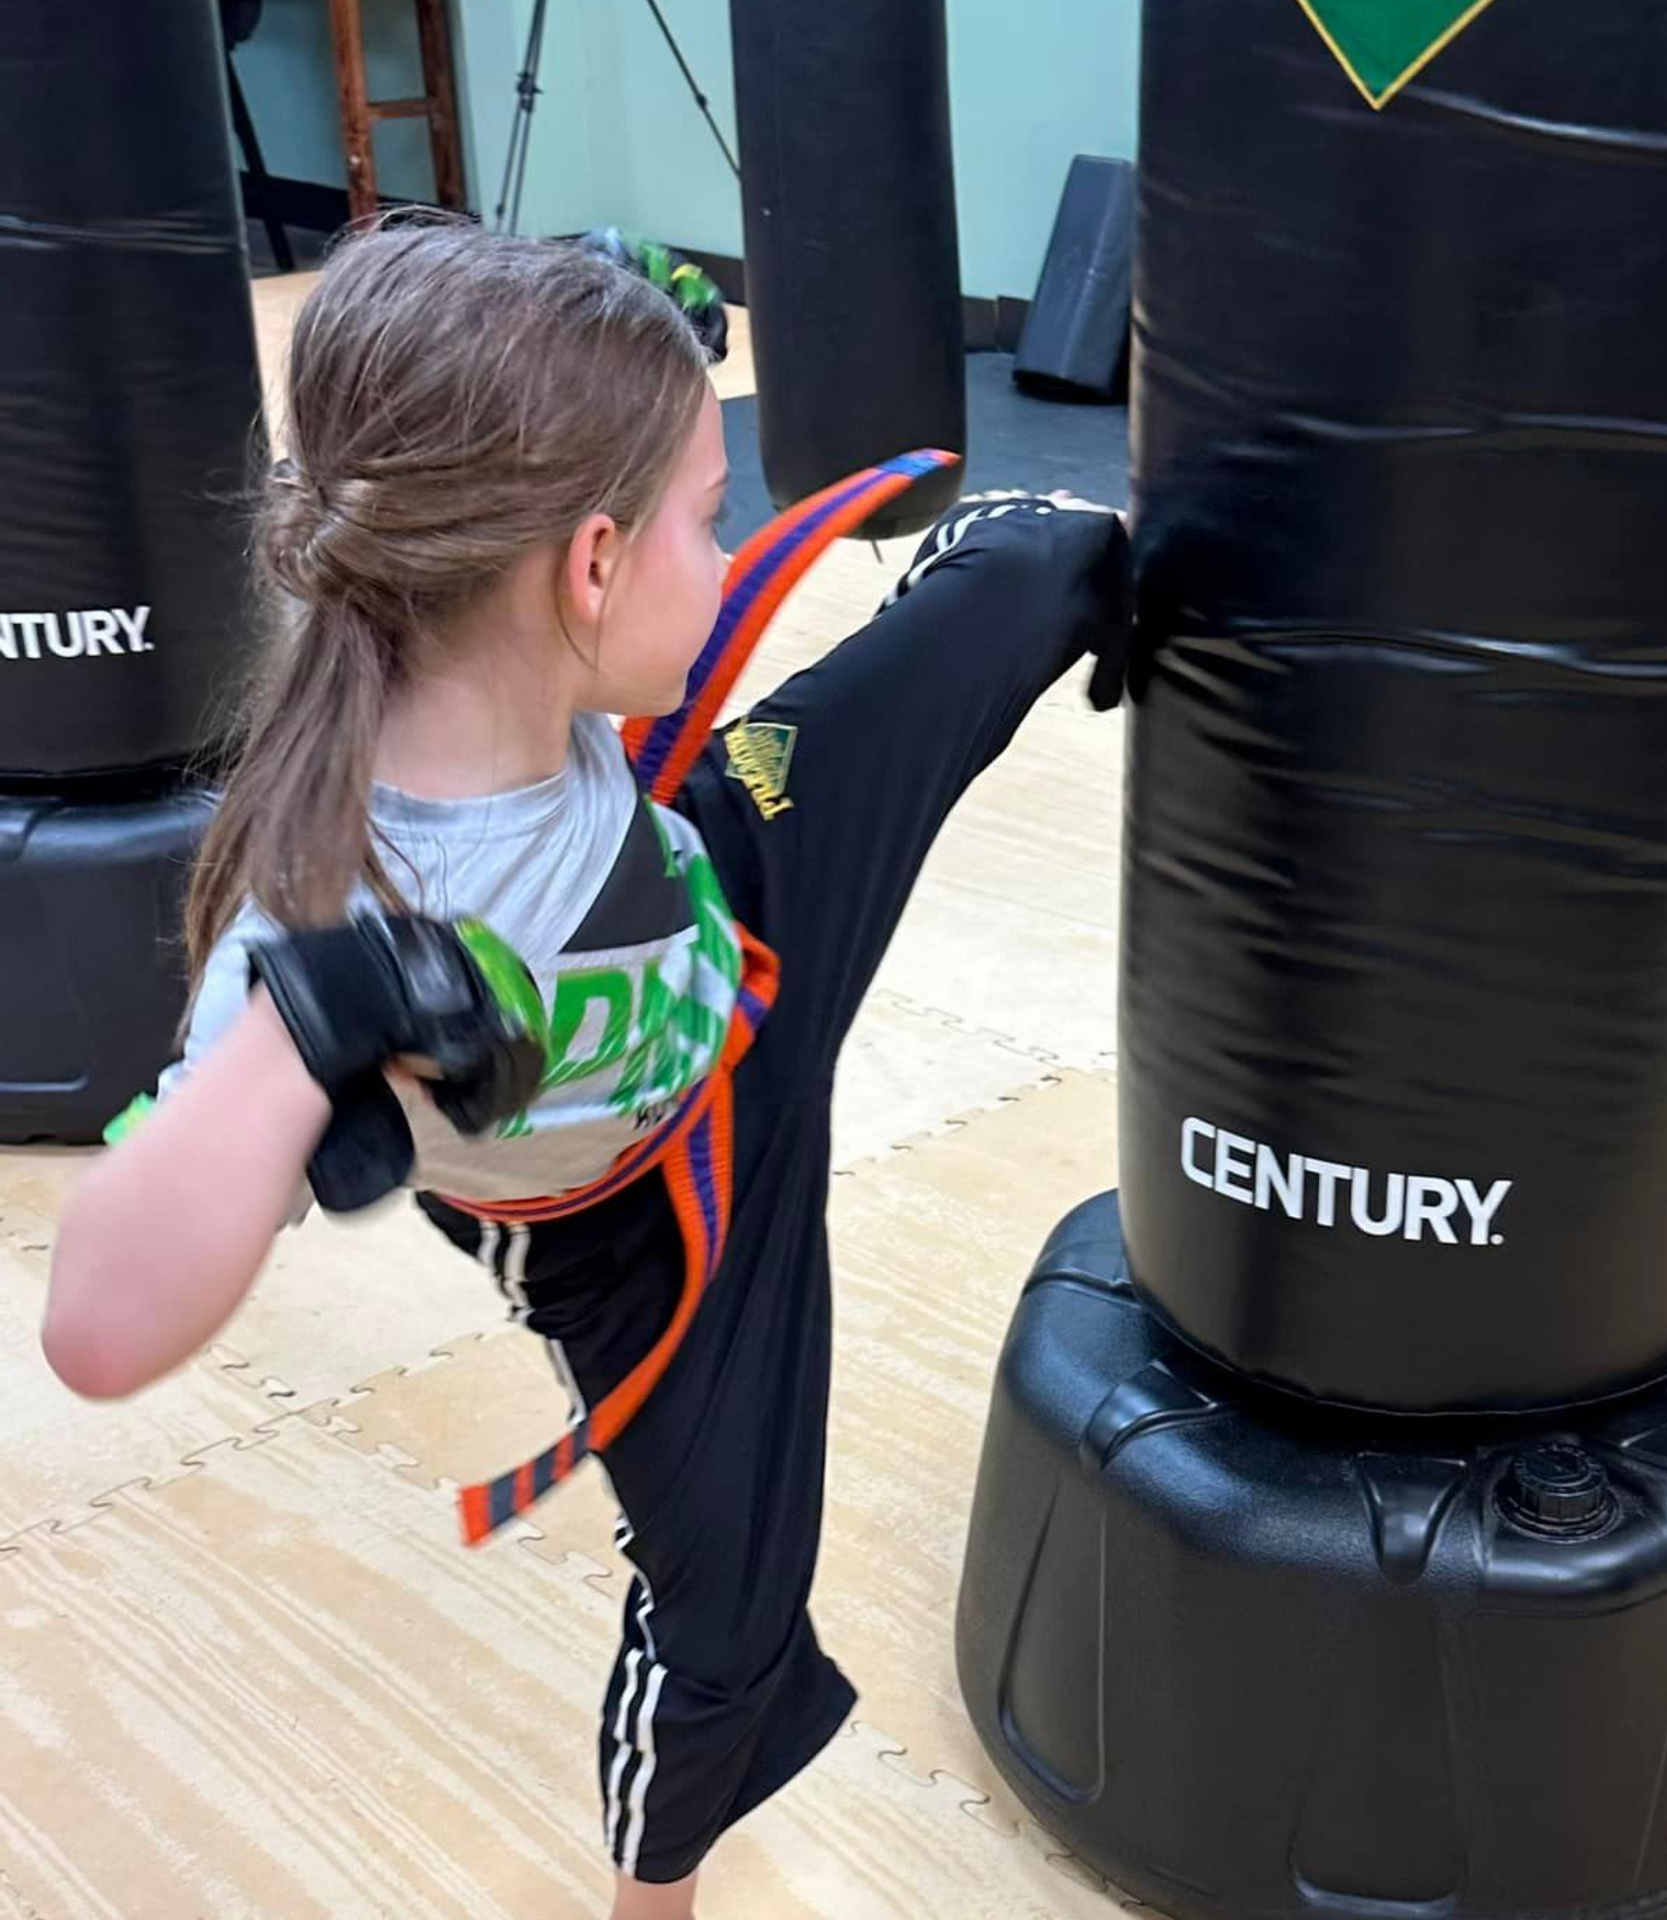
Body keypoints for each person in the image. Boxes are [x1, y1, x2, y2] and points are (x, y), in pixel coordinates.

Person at [43, 219, 1130, 1919]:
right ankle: (657, 1904)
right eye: (712, 508)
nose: (737, 537)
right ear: (596, 567)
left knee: (1042, 575)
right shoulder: (335, 906)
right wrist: (294, 1048)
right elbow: (95, 1324)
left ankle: (1004, 564)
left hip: (723, 893)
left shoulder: (483, 637)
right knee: (728, 1624)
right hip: (649, 1222)